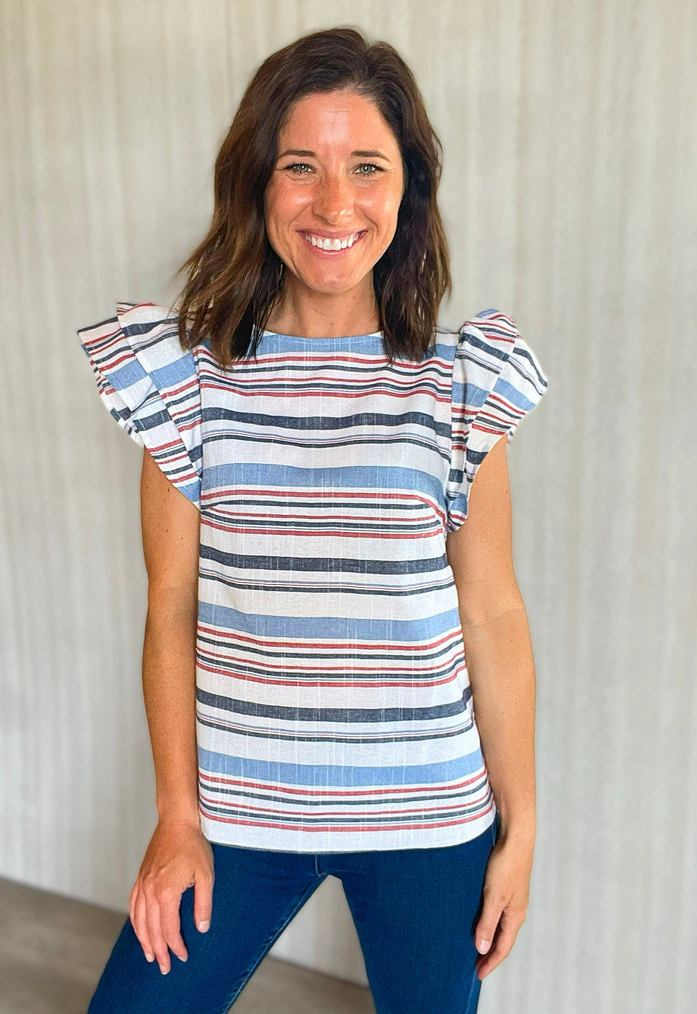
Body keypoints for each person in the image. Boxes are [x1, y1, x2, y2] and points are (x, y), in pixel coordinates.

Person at [77, 25, 548, 1014]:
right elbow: (170, 612)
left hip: (430, 819)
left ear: (407, 190)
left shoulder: (462, 381)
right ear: (258, 183)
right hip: (238, 812)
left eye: (366, 166)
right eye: (302, 166)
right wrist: (176, 816)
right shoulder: (187, 384)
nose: (335, 202)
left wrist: (524, 825)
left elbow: (494, 614)